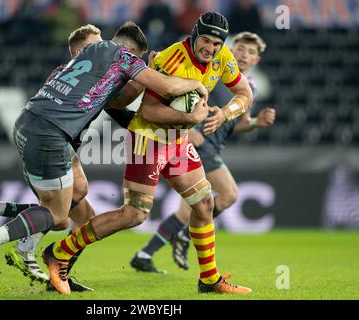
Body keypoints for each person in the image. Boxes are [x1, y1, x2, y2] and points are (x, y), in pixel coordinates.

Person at [0, 21, 209, 295]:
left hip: (31, 127)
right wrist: (193, 86)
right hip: (51, 136)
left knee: (82, 213)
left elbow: (118, 110)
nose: (134, 71)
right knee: (57, 216)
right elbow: (164, 86)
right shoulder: (120, 55)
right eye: (136, 62)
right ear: (131, 52)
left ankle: (43, 257)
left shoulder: (82, 65)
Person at [44, 12, 254, 295]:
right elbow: (148, 111)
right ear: (194, 35)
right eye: (205, 40)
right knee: (134, 215)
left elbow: (244, 94)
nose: (211, 48)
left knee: (204, 205)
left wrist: (224, 114)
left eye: (216, 43)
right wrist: (191, 118)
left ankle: (209, 279)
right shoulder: (170, 59)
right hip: (149, 140)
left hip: (177, 141)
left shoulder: (223, 57)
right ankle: (59, 252)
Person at [130, 31, 275, 273]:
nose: (244, 55)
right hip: (199, 143)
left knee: (189, 209)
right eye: (240, 49)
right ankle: (186, 238)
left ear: (256, 60)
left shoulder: (249, 89)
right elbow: (188, 99)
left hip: (214, 145)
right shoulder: (214, 72)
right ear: (230, 50)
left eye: (251, 52)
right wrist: (191, 126)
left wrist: (255, 123)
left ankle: (146, 253)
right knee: (228, 194)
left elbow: (238, 124)